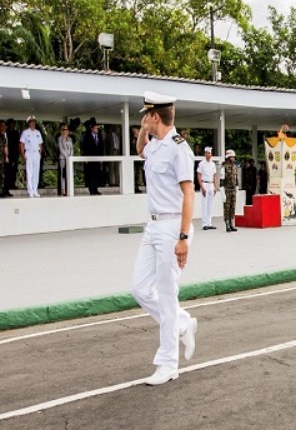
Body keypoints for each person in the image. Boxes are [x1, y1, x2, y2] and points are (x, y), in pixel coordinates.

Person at [131, 91, 197, 386]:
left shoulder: (179, 149)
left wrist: (183, 236)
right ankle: (183, 323)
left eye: (146, 115)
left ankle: (168, 363)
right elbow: (139, 152)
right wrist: (143, 132)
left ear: (155, 116)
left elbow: (189, 194)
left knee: (167, 295)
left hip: (172, 227)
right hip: (153, 226)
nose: (143, 119)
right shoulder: (155, 145)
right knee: (140, 288)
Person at [19, 116, 44, 198]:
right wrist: (23, 155)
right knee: (30, 172)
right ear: (28, 123)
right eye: (31, 122)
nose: (33, 123)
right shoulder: (25, 132)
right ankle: (30, 190)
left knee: (36, 172)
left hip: (36, 153)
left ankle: (35, 190)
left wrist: (40, 153)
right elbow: (22, 144)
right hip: (29, 153)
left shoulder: (38, 132)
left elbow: (40, 144)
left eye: (34, 122)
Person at [81, 118, 104, 195]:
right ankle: (92, 189)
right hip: (90, 158)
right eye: (95, 128)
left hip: (97, 158)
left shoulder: (99, 136)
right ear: (92, 128)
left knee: (96, 174)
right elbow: (84, 147)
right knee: (90, 174)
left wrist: (101, 157)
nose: (97, 129)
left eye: (97, 128)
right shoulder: (87, 136)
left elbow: (101, 147)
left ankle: (96, 188)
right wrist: (85, 158)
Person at [196, 146, 217, 230]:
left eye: (211, 153)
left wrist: (215, 186)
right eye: (208, 153)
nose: (210, 154)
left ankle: (209, 223)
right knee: (204, 204)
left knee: (210, 205)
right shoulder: (201, 164)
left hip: (211, 184)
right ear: (205, 154)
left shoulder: (213, 164)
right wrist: (201, 186)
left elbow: (214, 176)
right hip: (204, 183)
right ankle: (204, 224)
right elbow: (199, 175)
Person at [222, 149, 238, 232]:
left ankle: (232, 223)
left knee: (233, 207)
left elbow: (236, 178)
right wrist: (222, 193)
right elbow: (221, 181)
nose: (234, 159)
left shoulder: (235, 167)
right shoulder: (224, 167)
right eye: (232, 157)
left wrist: (237, 187)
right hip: (227, 190)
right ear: (228, 157)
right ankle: (227, 224)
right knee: (227, 208)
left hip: (233, 189)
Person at [4, 118, 19, 196]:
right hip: (8, 154)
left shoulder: (16, 133)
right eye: (12, 123)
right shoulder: (6, 133)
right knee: (8, 171)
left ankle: (12, 184)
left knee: (14, 170)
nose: (13, 125)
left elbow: (17, 144)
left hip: (15, 153)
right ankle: (8, 185)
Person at [57, 123, 73, 196]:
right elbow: (61, 149)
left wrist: (70, 156)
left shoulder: (70, 139)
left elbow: (72, 149)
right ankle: (63, 190)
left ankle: (69, 188)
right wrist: (66, 157)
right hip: (63, 158)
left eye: (66, 129)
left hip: (69, 159)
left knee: (69, 174)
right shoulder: (60, 138)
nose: (65, 131)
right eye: (63, 129)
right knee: (63, 174)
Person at [131, 125, 144, 193]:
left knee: (138, 173)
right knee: (134, 173)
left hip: (139, 159)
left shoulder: (141, 138)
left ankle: (137, 186)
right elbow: (133, 148)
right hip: (134, 159)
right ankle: (134, 187)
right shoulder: (132, 139)